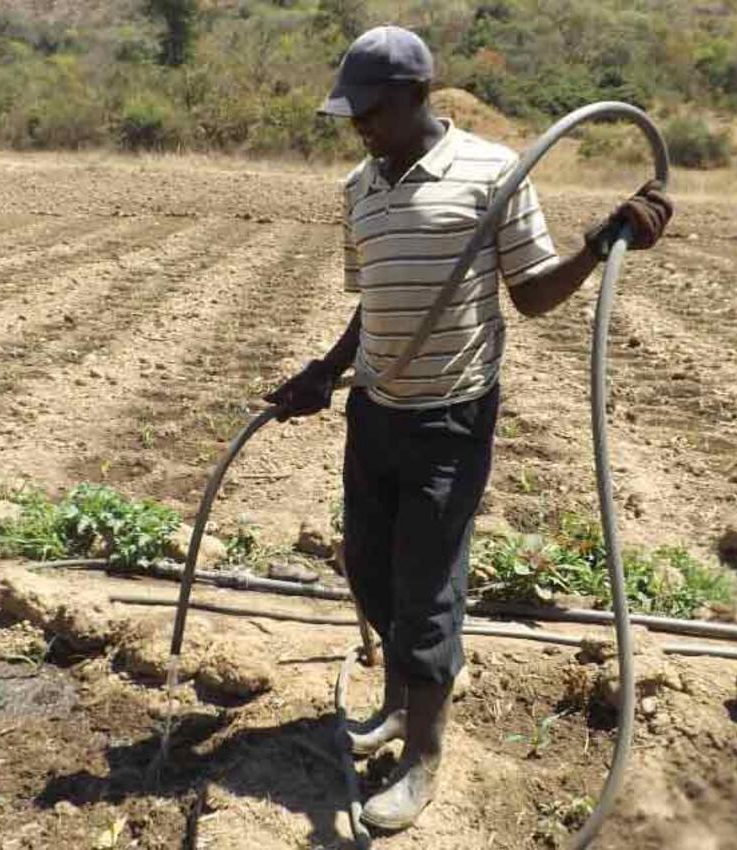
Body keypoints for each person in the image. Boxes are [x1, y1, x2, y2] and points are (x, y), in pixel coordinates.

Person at [262, 25, 673, 832]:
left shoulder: (494, 175)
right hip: (374, 409)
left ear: (418, 97)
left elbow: (530, 294)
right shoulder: (359, 187)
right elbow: (373, 301)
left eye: (372, 111)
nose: (360, 128)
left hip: (449, 418)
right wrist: (324, 370)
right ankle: (393, 706)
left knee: (428, 591)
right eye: (352, 116)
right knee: (367, 569)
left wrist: (601, 241)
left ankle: (424, 757)